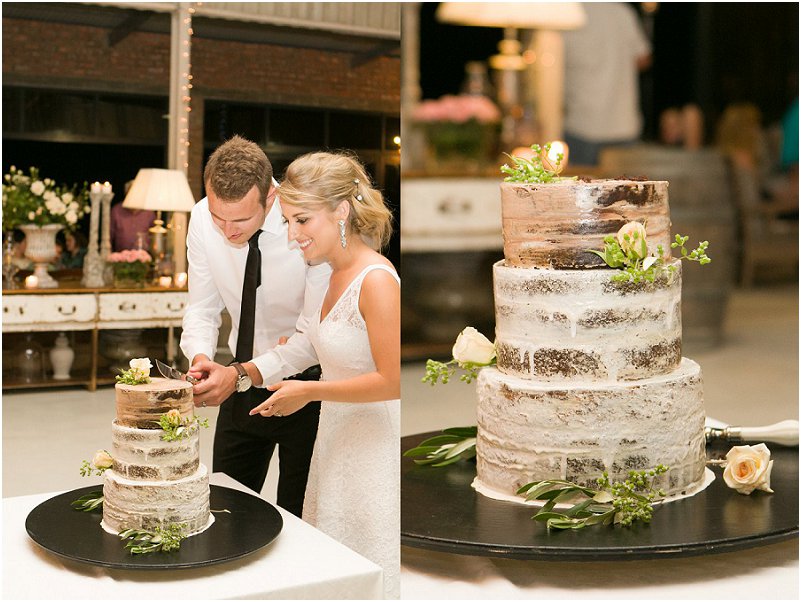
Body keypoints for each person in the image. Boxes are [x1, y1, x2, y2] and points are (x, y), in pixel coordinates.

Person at [249, 151, 400, 598]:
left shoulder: (376, 281)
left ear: (341, 211)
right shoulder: (329, 275)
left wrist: (310, 391)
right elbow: (316, 345)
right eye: (287, 222)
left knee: (368, 564)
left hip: (371, 447)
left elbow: (392, 381)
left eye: (302, 220)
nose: (292, 235)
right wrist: (257, 372)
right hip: (336, 440)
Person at [180, 135, 330, 517]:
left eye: (241, 220)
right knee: (226, 511)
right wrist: (201, 360)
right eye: (219, 218)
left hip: (310, 387)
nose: (228, 231)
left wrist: (239, 373)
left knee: (299, 515)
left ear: (270, 197)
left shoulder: (308, 225)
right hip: (239, 385)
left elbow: (315, 333)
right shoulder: (201, 217)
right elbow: (202, 307)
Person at [562, 2, 652, 165]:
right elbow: (643, 59)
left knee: (577, 181)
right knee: (626, 182)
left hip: (580, 125)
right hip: (621, 125)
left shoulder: (567, 12)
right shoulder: (622, 12)